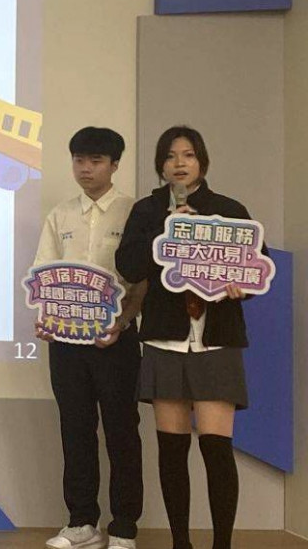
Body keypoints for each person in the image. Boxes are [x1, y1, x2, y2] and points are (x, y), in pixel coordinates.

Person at [115, 126, 253, 549]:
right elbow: (128, 266)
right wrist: (167, 230)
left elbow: (256, 268)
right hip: (166, 340)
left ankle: (222, 544)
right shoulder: (146, 210)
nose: (179, 163)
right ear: (161, 165)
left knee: (216, 449)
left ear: (202, 162)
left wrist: (241, 286)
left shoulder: (228, 210)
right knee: (172, 450)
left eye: (188, 155)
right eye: (171, 156)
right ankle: (181, 543)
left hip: (216, 339)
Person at [34, 127, 145, 549]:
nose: (86, 168)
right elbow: (44, 274)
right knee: (75, 429)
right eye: (79, 160)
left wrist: (124, 322)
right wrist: (46, 319)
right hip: (67, 343)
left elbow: (142, 281)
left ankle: (124, 527)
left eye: (96, 161)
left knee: (122, 431)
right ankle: (82, 522)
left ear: (114, 165)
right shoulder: (60, 215)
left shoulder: (134, 212)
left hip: (117, 339)